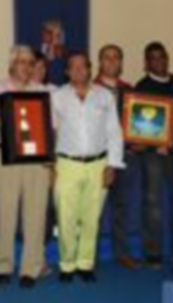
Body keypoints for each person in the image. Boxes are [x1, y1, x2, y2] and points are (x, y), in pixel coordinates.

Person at [52, 51, 124, 284]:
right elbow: (50, 132)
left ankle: (85, 264)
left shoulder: (104, 96)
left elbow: (114, 131)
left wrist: (112, 165)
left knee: (91, 218)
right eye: (73, 67)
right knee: (66, 217)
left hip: (98, 164)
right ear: (67, 71)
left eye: (82, 66)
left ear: (90, 69)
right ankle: (67, 264)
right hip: (67, 164)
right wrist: (51, 165)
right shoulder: (57, 97)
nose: (78, 70)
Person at [0, 45, 51, 288]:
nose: (27, 67)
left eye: (31, 62)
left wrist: (50, 160)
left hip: (36, 159)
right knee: (5, 211)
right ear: (11, 65)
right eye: (21, 62)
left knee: (36, 212)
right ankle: (3, 264)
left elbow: (52, 127)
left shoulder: (42, 91)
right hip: (5, 156)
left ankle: (31, 268)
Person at [133, 41, 173, 270]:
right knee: (152, 201)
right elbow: (138, 124)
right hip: (152, 152)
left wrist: (171, 143)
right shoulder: (142, 86)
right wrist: (154, 145)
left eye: (162, 56)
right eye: (153, 58)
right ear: (146, 63)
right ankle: (153, 252)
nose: (159, 61)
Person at [93, 44, 140, 270]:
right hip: (98, 156)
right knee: (95, 208)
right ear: (100, 62)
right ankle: (89, 256)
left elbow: (138, 123)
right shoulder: (89, 89)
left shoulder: (130, 90)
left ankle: (122, 253)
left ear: (121, 62)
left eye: (116, 58)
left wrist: (141, 138)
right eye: (107, 57)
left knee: (122, 207)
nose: (111, 62)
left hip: (125, 155)